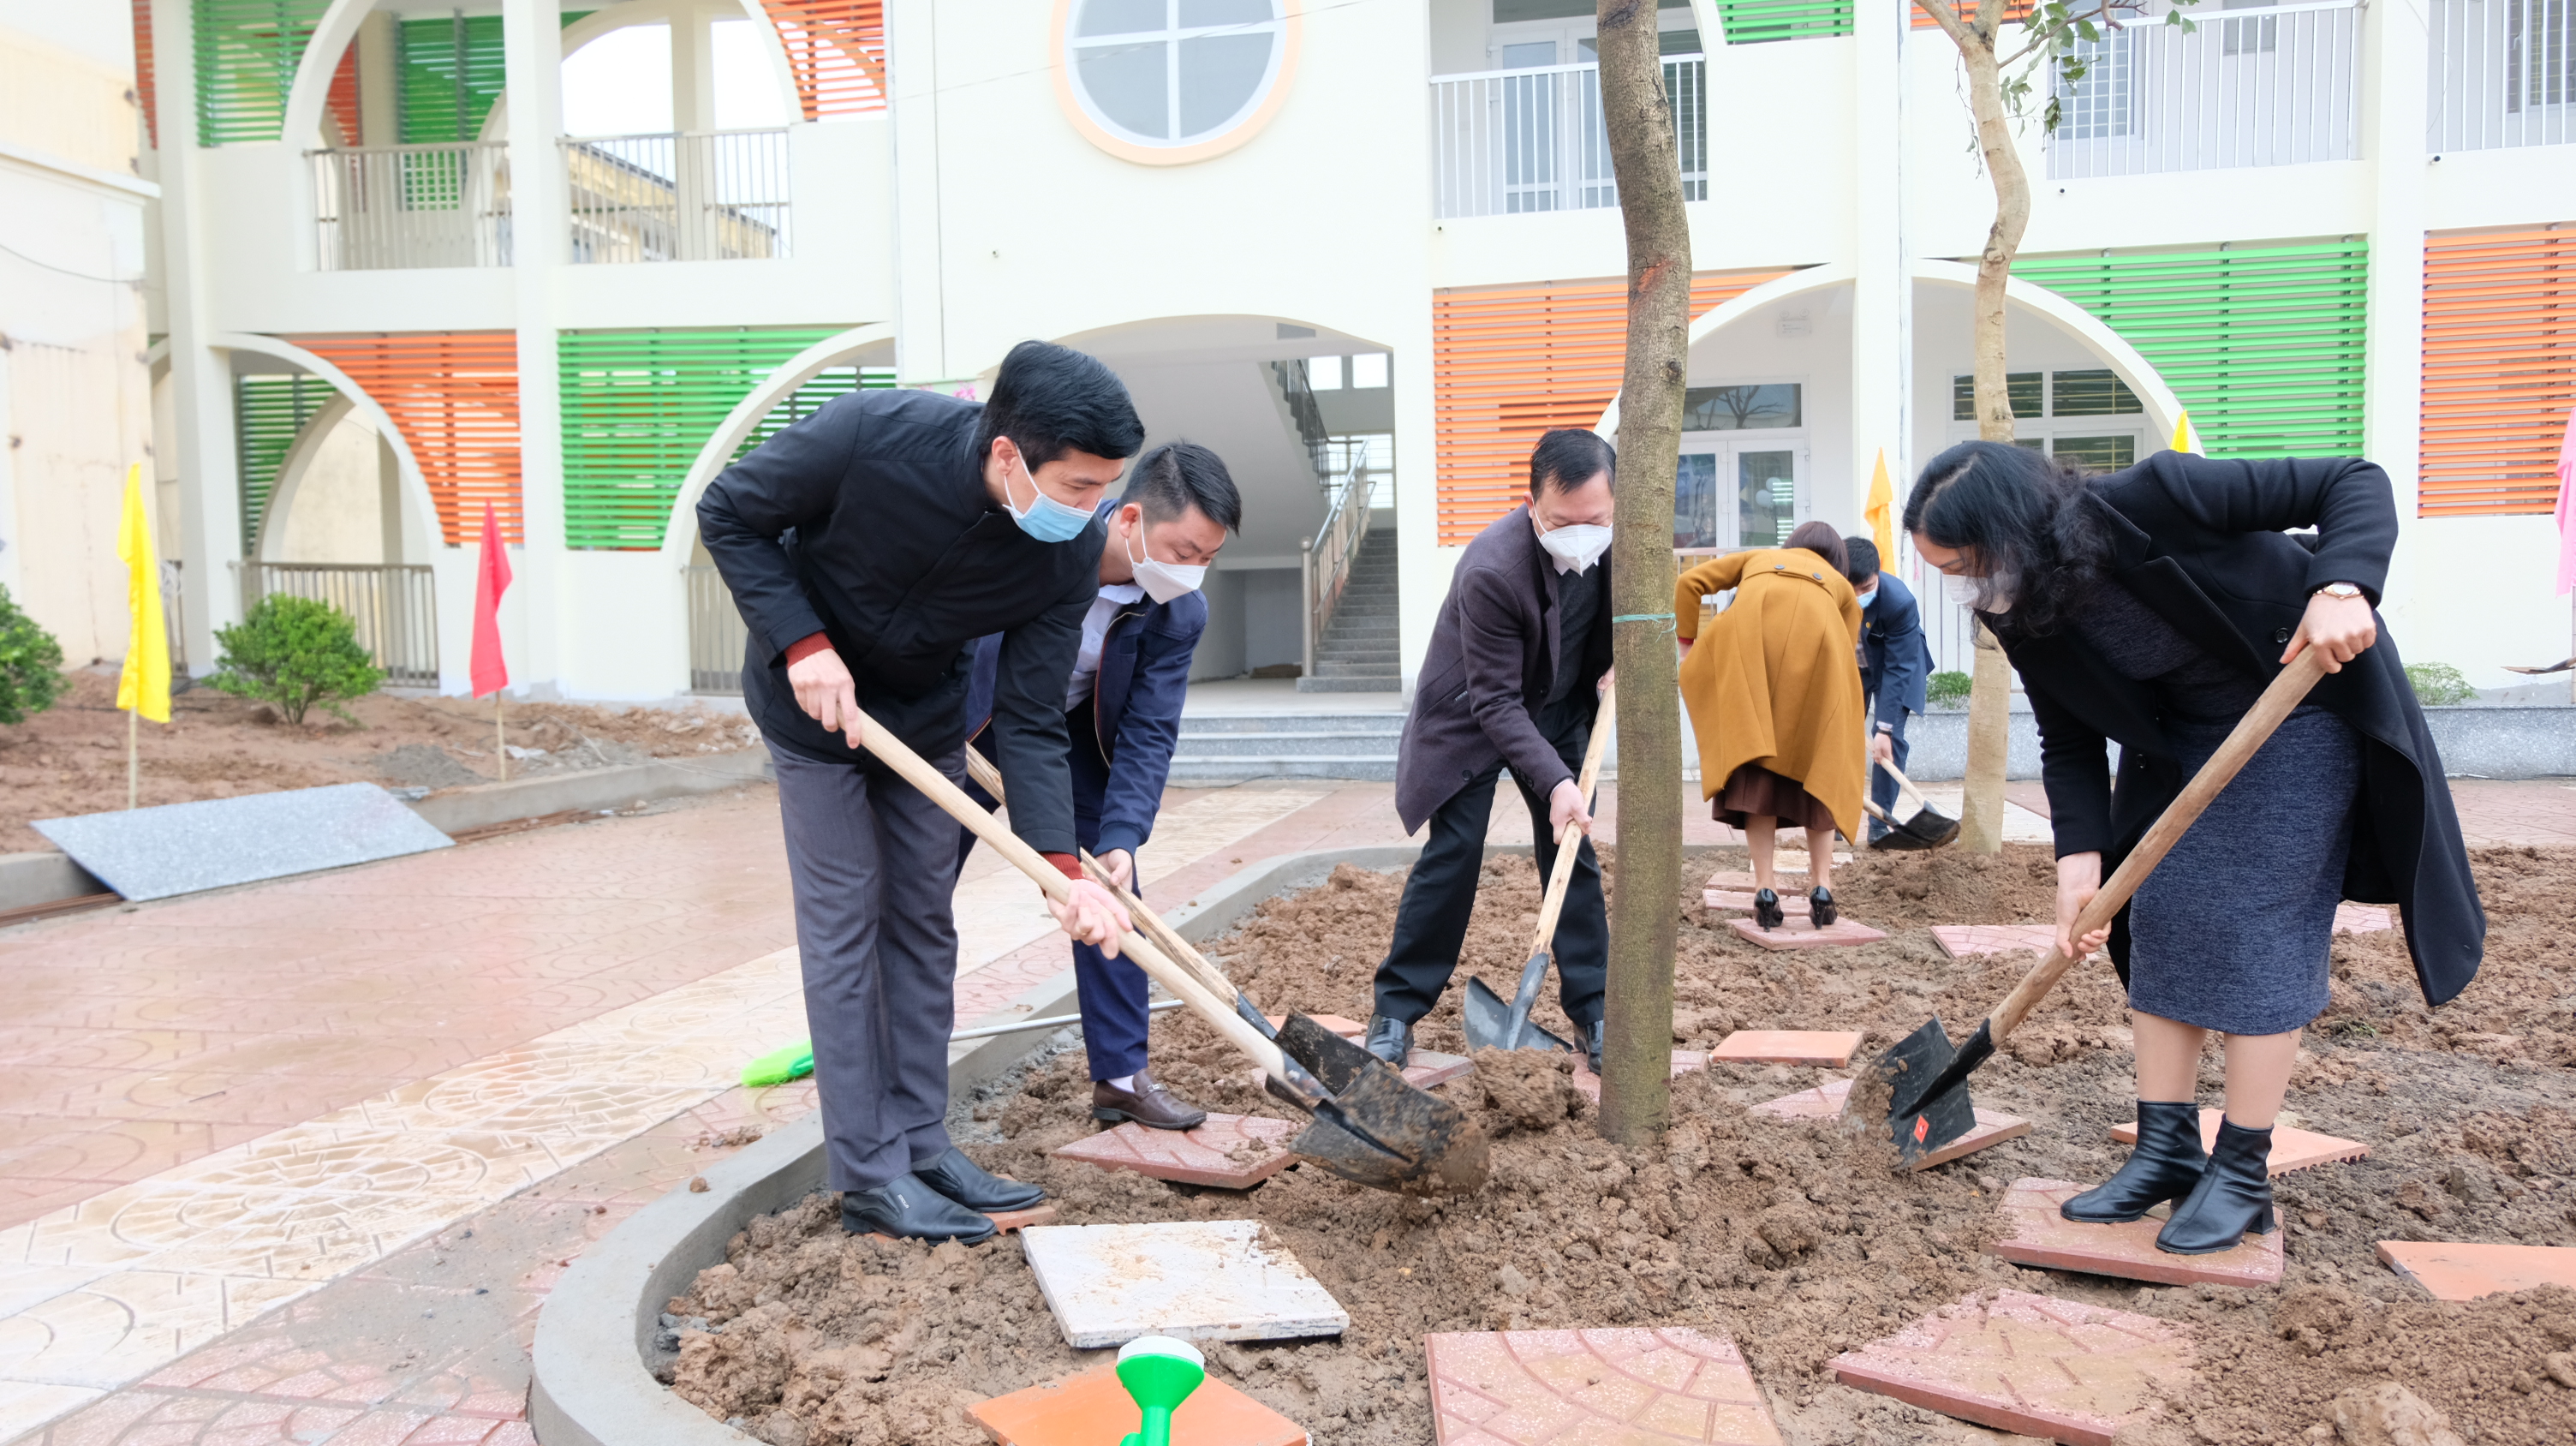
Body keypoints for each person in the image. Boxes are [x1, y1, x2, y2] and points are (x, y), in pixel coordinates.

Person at [1904, 440, 2483, 1255]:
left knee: (2256, 929)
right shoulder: (2023, 604)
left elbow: (2350, 479)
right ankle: (2166, 1149)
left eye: (1968, 561)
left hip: (2302, 712)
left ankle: (2242, 1173)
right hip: (2186, 748)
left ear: (2016, 529)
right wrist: (2078, 866)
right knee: (2163, 918)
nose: (1969, 584)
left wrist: (2341, 584)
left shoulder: (2163, 494)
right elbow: (2068, 740)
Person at [698, 341, 1145, 1246]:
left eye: (1105, 486)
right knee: (845, 920)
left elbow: (1026, 718)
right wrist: (800, 643)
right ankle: (868, 1174)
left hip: (925, 719)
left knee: (923, 922)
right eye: (1075, 486)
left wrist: (1061, 868)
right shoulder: (869, 437)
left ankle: (920, 1141)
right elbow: (729, 512)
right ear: (1007, 452)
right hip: (812, 709)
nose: (1091, 509)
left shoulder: (1065, 558)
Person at [954, 441, 1242, 1132]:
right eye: (1181, 550)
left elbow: (1150, 729)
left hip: (1067, 741)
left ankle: (1120, 1078)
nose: (1191, 572)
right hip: (972, 725)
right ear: (1130, 519)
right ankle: (891, 1075)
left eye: (1207, 558)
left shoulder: (1180, 613)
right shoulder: (1048, 542)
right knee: (917, 888)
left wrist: (1123, 836)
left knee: (1114, 901)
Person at [1363, 429, 1615, 1075]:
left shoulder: (1624, 547)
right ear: (1533, 506)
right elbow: (1495, 702)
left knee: (1570, 853)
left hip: (1558, 709)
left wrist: (1623, 665)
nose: (1582, 534)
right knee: (1453, 854)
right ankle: (1396, 1011)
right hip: (1474, 715)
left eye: (1597, 520)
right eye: (1563, 522)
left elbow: (1629, 626)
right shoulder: (1492, 568)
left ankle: (1595, 1010)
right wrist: (1556, 782)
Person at [1674, 522, 1868, 929]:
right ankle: (1822, 886)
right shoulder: (1843, 590)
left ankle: (1766, 888)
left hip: (1754, 697)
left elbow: (1690, 582)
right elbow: (1845, 663)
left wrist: (1688, 646)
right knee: (1820, 788)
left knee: (1757, 786)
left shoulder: (1757, 559)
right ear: (1837, 561)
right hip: (1814, 710)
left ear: (1791, 545)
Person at [1840, 536, 1935, 848]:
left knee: (1888, 742)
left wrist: (1883, 727)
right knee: (1841, 736)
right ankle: (1840, 815)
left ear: (1877, 576)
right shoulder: (1828, 591)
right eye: (1850, 590)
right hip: (1852, 667)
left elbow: (1899, 669)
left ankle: (1880, 822)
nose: (1857, 597)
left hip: (1894, 668)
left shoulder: (1899, 602)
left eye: (1866, 589)